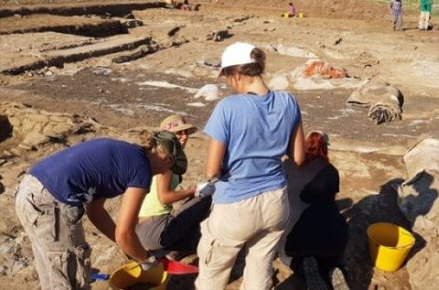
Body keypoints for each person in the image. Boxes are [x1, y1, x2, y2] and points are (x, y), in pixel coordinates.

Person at [196, 42, 306, 290]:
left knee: (214, 271)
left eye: (226, 76)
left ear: (237, 73)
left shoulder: (228, 107)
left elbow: (212, 171)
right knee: (259, 269)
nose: (227, 83)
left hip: (235, 204)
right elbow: (299, 158)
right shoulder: (288, 101)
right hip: (275, 201)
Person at [14, 131, 186, 290]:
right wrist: (146, 260)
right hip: (51, 202)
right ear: (166, 158)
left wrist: (129, 248)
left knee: (55, 270)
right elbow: (124, 233)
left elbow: (96, 212)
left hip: (29, 191)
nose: (165, 173)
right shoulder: (142, 169)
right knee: (71, 275)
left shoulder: (126, 156)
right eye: (171, 168)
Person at [136, 116, 211, 260]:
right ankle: (177, 248)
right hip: (154, 228)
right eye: (179, 133)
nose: (184, 137)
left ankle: (172, 249)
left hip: (142, 229)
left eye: (186, 133)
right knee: (206, 196)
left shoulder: (155, 157)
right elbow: (164, 198)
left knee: (191, 204)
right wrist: (192, 190)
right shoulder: (165, 162)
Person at [283, 131, 349, 289]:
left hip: (294, 237)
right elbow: (329, 201)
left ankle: (304, 268)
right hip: (327, 242)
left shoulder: (287, 165)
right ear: (325, 148)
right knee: (339, 226)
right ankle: (332, 268)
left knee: (285, 253)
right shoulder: (331, 171)